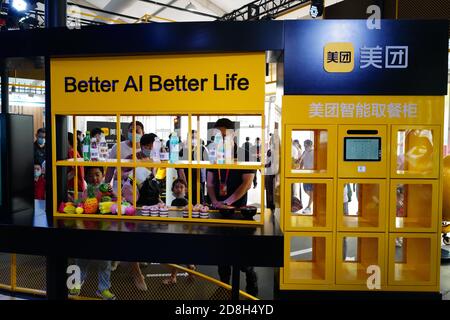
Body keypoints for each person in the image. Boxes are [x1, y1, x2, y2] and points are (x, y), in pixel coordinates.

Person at [206, 118, 258, 295]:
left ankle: (250, 274)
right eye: (217, 136)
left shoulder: (245, 153)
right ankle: (224, 284)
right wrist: (214, 201)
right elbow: (210, 183)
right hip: (218, 209)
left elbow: (247, 183)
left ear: (232, 134)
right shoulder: (213, 155)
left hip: (238, 211)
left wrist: (227, 203)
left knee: (241, 253)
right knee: (221, 251)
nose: (220, 139)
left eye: (223, 135)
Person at [104, 121, 148, 291]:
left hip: (140, 194)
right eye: (131, 130)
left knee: (135, 232)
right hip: (119, 193)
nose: (134, 133)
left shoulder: (146, 148)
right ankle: (136, 272)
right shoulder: (118, 147)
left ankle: (127, 258)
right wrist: (106, 185)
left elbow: (152, 172)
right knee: (123, 230)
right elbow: (110, 169)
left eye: (137, 130)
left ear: (143, 132)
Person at [69, 166, 116, 300]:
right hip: (88, 231)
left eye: (97, 174)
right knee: (81, 259)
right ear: (86, 178)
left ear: (103, 175)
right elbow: (81, 206)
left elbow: (118, 202)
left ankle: (104, 289)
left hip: (103, 231)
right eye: (90, 175)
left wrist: (113, 195)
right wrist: (76, 203)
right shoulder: (85, 192)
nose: (94, 178)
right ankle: (76, 284)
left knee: (105, 263)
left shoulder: (107, 190)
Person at [178, 130, 207, 204]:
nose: (194, 140)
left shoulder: (202, 150)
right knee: (187, 206)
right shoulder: (183, 151)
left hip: (199, 184)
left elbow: (206, 167)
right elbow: (180, 171)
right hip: (187, 184)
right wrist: (185, 186)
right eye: (192, 138)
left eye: (196, 138)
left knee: (199, 206)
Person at [67, 132, 86, 201]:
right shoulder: (75, 152)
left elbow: (74, 171)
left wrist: (62, 181)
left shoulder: (71, 152)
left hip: (74, 187)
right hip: (78, 185)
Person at [300, 139, 314, 214]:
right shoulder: (304, 152)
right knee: (306, 190)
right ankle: (315, 199)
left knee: (311, 190)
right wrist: (300, 169)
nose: (305, 147)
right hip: (305, 173)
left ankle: (309, 206)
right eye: (304, 145)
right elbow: (301, 160)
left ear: (310, 145)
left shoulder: (314, 153)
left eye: (306, 145)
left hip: (312, 175)